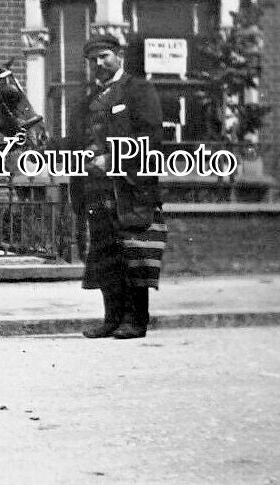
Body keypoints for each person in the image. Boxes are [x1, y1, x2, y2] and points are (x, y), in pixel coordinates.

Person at [66, 34, 168, 340]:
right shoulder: (86, 103)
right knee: (105, 255)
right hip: (95, 190)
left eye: (104, 56)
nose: (98, 64)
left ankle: (136, 320)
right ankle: (111, 319)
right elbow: (74, 145)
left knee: (134, 255)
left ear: (119, 55)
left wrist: (111, 159)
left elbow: (151, 139)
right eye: (93, 60)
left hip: (130, 189)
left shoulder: (139, 90)